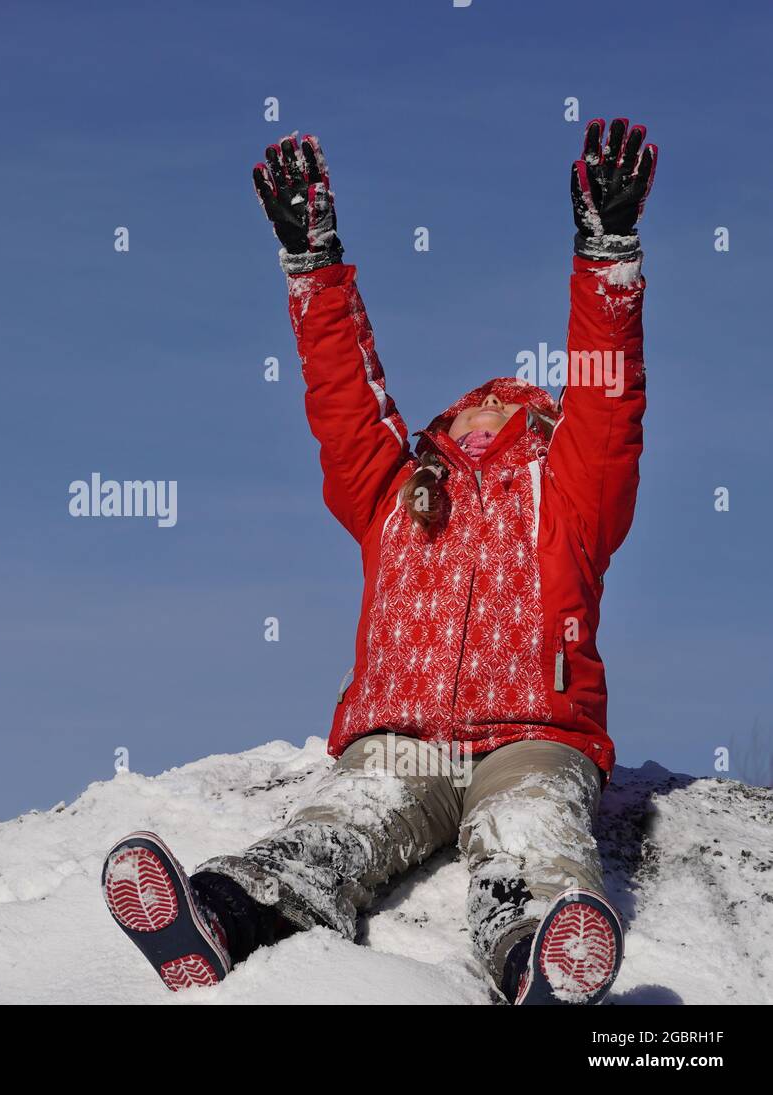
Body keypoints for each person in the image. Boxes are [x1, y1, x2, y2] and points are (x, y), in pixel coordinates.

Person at [102, 119, 656, 1004]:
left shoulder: (573, 491)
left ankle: (541, 958)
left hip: (532, 734)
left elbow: (606, 395)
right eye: (469, 412)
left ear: (544, 433)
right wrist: (312, 262)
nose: (485, 416)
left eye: (512, 411)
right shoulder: (397, 491)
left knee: (529, 839)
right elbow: (345, 394)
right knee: (334, 829)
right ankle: (217, 915)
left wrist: (608, 253)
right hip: (399, 741)